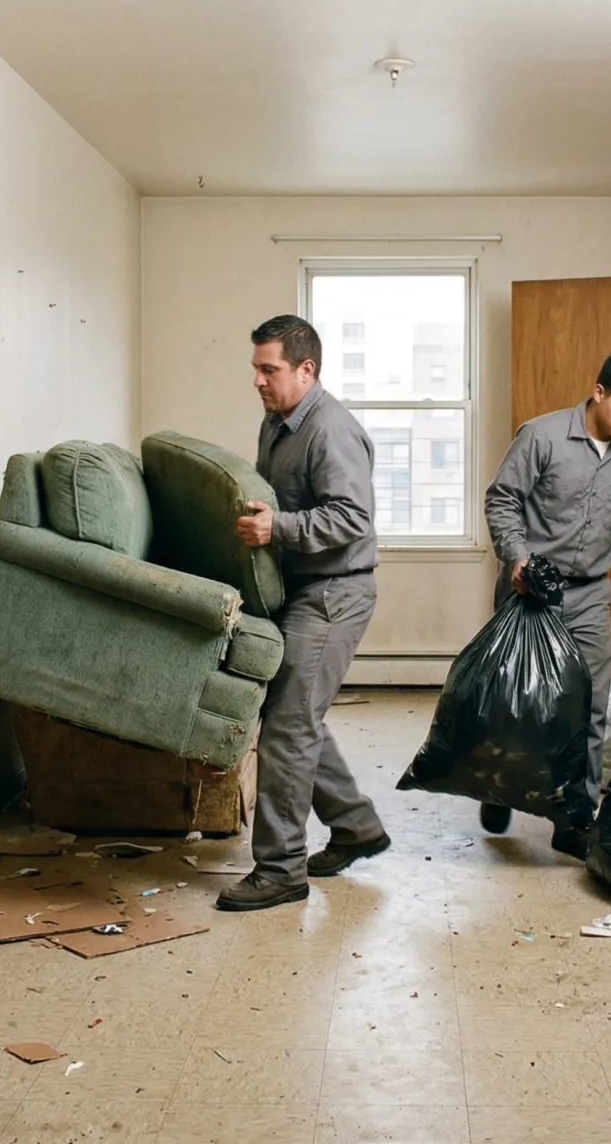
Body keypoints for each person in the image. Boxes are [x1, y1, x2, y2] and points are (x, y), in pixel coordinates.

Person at [216, 314, 391, 912]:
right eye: (256, 369)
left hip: (335, 593)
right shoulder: (278, 421)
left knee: (288, 725)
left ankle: (281, 869)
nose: (260, 381)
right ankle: (356, 825)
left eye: (271, 369)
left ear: (306, 369)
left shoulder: (330, 430)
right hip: (305, 588)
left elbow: (352, 519)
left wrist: (277, 528)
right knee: (295, 715)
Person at [482, 351, 611, 860]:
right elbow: (501, 499)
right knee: (516, 702)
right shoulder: (542, 437)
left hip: (590, 596)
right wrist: (518, 560)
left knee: (589, 708)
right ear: (598, 393)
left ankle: (574, 819)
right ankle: (498, 784)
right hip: (529, 593)